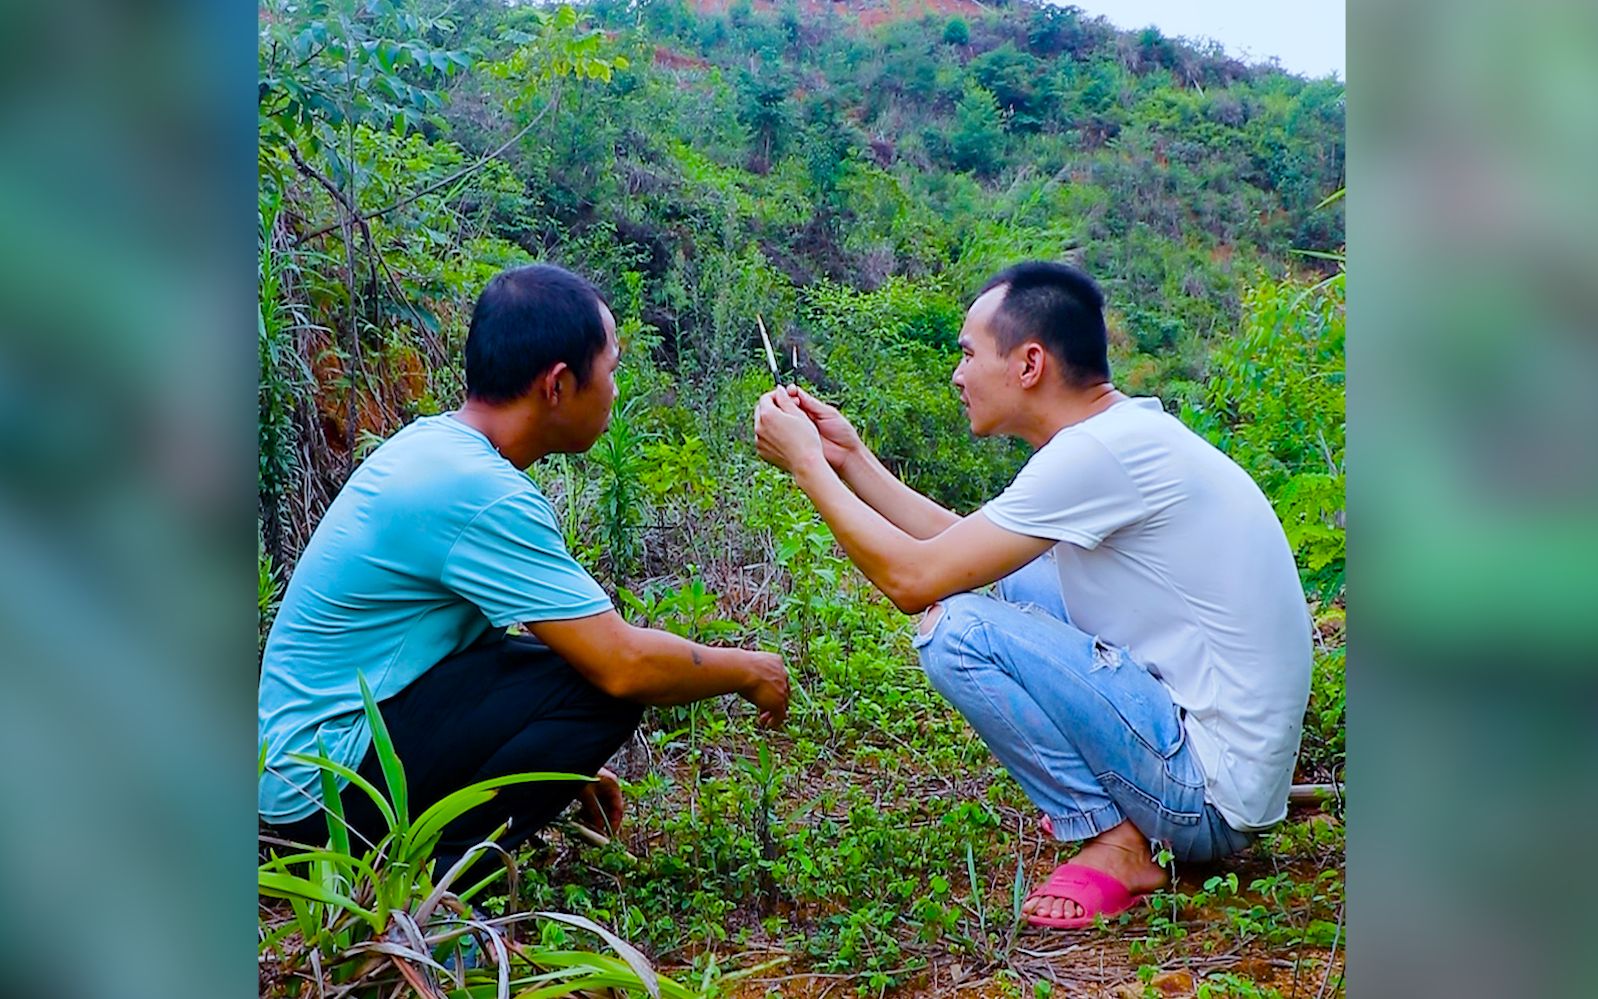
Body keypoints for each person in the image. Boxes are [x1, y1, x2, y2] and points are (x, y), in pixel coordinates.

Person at [753, 261, 1310, 929]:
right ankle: (1122, 823)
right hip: (1225, 776)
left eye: (967, 353)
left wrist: (808, 468)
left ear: (1029, 363)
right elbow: (962, 551)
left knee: (953, 628)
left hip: (1205, 800)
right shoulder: (1117, 437)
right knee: (1003, 580)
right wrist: (850, 458)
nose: (958, 375)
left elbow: (914, 581)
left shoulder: (1098, 454)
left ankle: (1114, 837)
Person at [259, 264, 790, 877]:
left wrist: (561, 759)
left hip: (305, 774)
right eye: (611, 370)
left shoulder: (436, 449)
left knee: (569, 666)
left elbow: (481, 658)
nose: (615, 389)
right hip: (323, 799)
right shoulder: (480, 491)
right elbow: (622, 664)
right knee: (598, 687)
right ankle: (442, 887)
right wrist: (750, 670)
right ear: (558, 384)